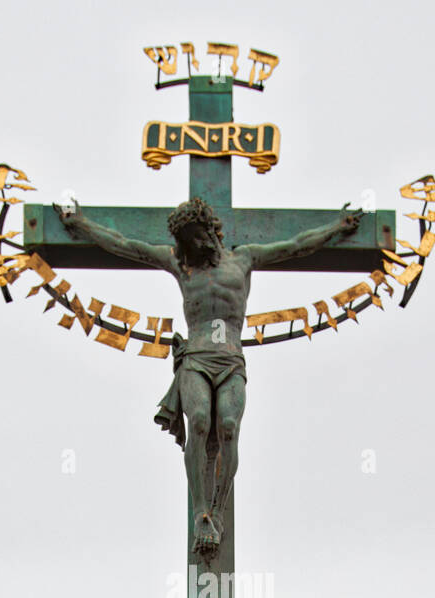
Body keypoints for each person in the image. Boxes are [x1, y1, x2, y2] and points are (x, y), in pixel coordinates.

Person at [57, 195, 360, 554]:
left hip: (230, 358)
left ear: (208, 229)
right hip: (197, 356)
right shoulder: (181, 265)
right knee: (199, 420)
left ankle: (217, 511)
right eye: (184, 239)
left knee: (229, 427)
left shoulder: (244, 258)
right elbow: (125, 245)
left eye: (193, 235)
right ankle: (200, 510)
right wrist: (80, 225)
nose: (189, 245)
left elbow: (296, 246)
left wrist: (337, 229)